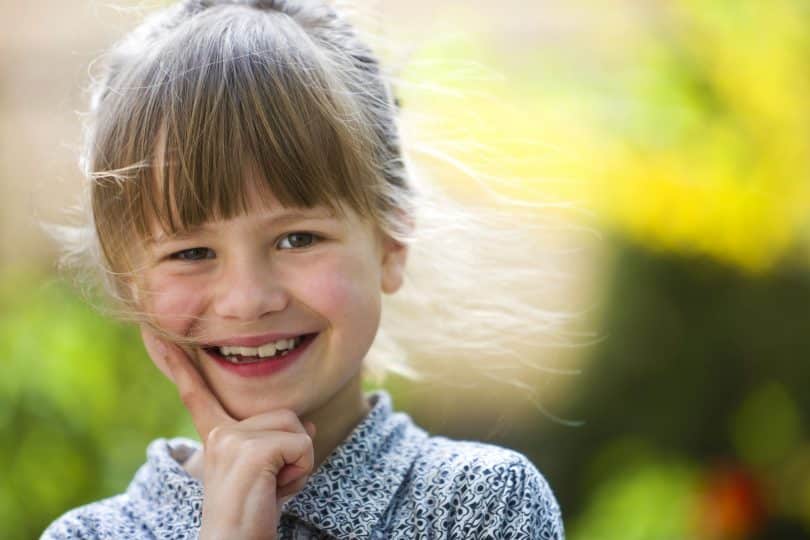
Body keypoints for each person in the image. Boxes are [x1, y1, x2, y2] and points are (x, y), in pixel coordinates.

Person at [42, 0, 566, 538]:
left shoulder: (478, 505)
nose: (247, 299)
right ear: (131, 281)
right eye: (191, 253)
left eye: (297, 239)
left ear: (390, 243)